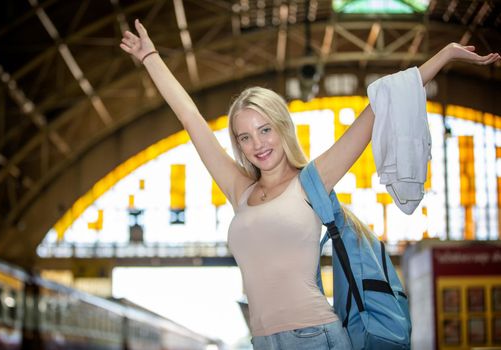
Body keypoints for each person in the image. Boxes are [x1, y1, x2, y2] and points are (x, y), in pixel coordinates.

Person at [121, 19, 499, 350]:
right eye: (245, 137)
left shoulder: (310, 182)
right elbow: (191, 118)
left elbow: (377, 110)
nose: (258, 145)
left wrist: (445, 56)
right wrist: (150, 57)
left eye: (265, 130)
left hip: (315, 337)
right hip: (263, 341)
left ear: (282, 127)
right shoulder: (241, 192)